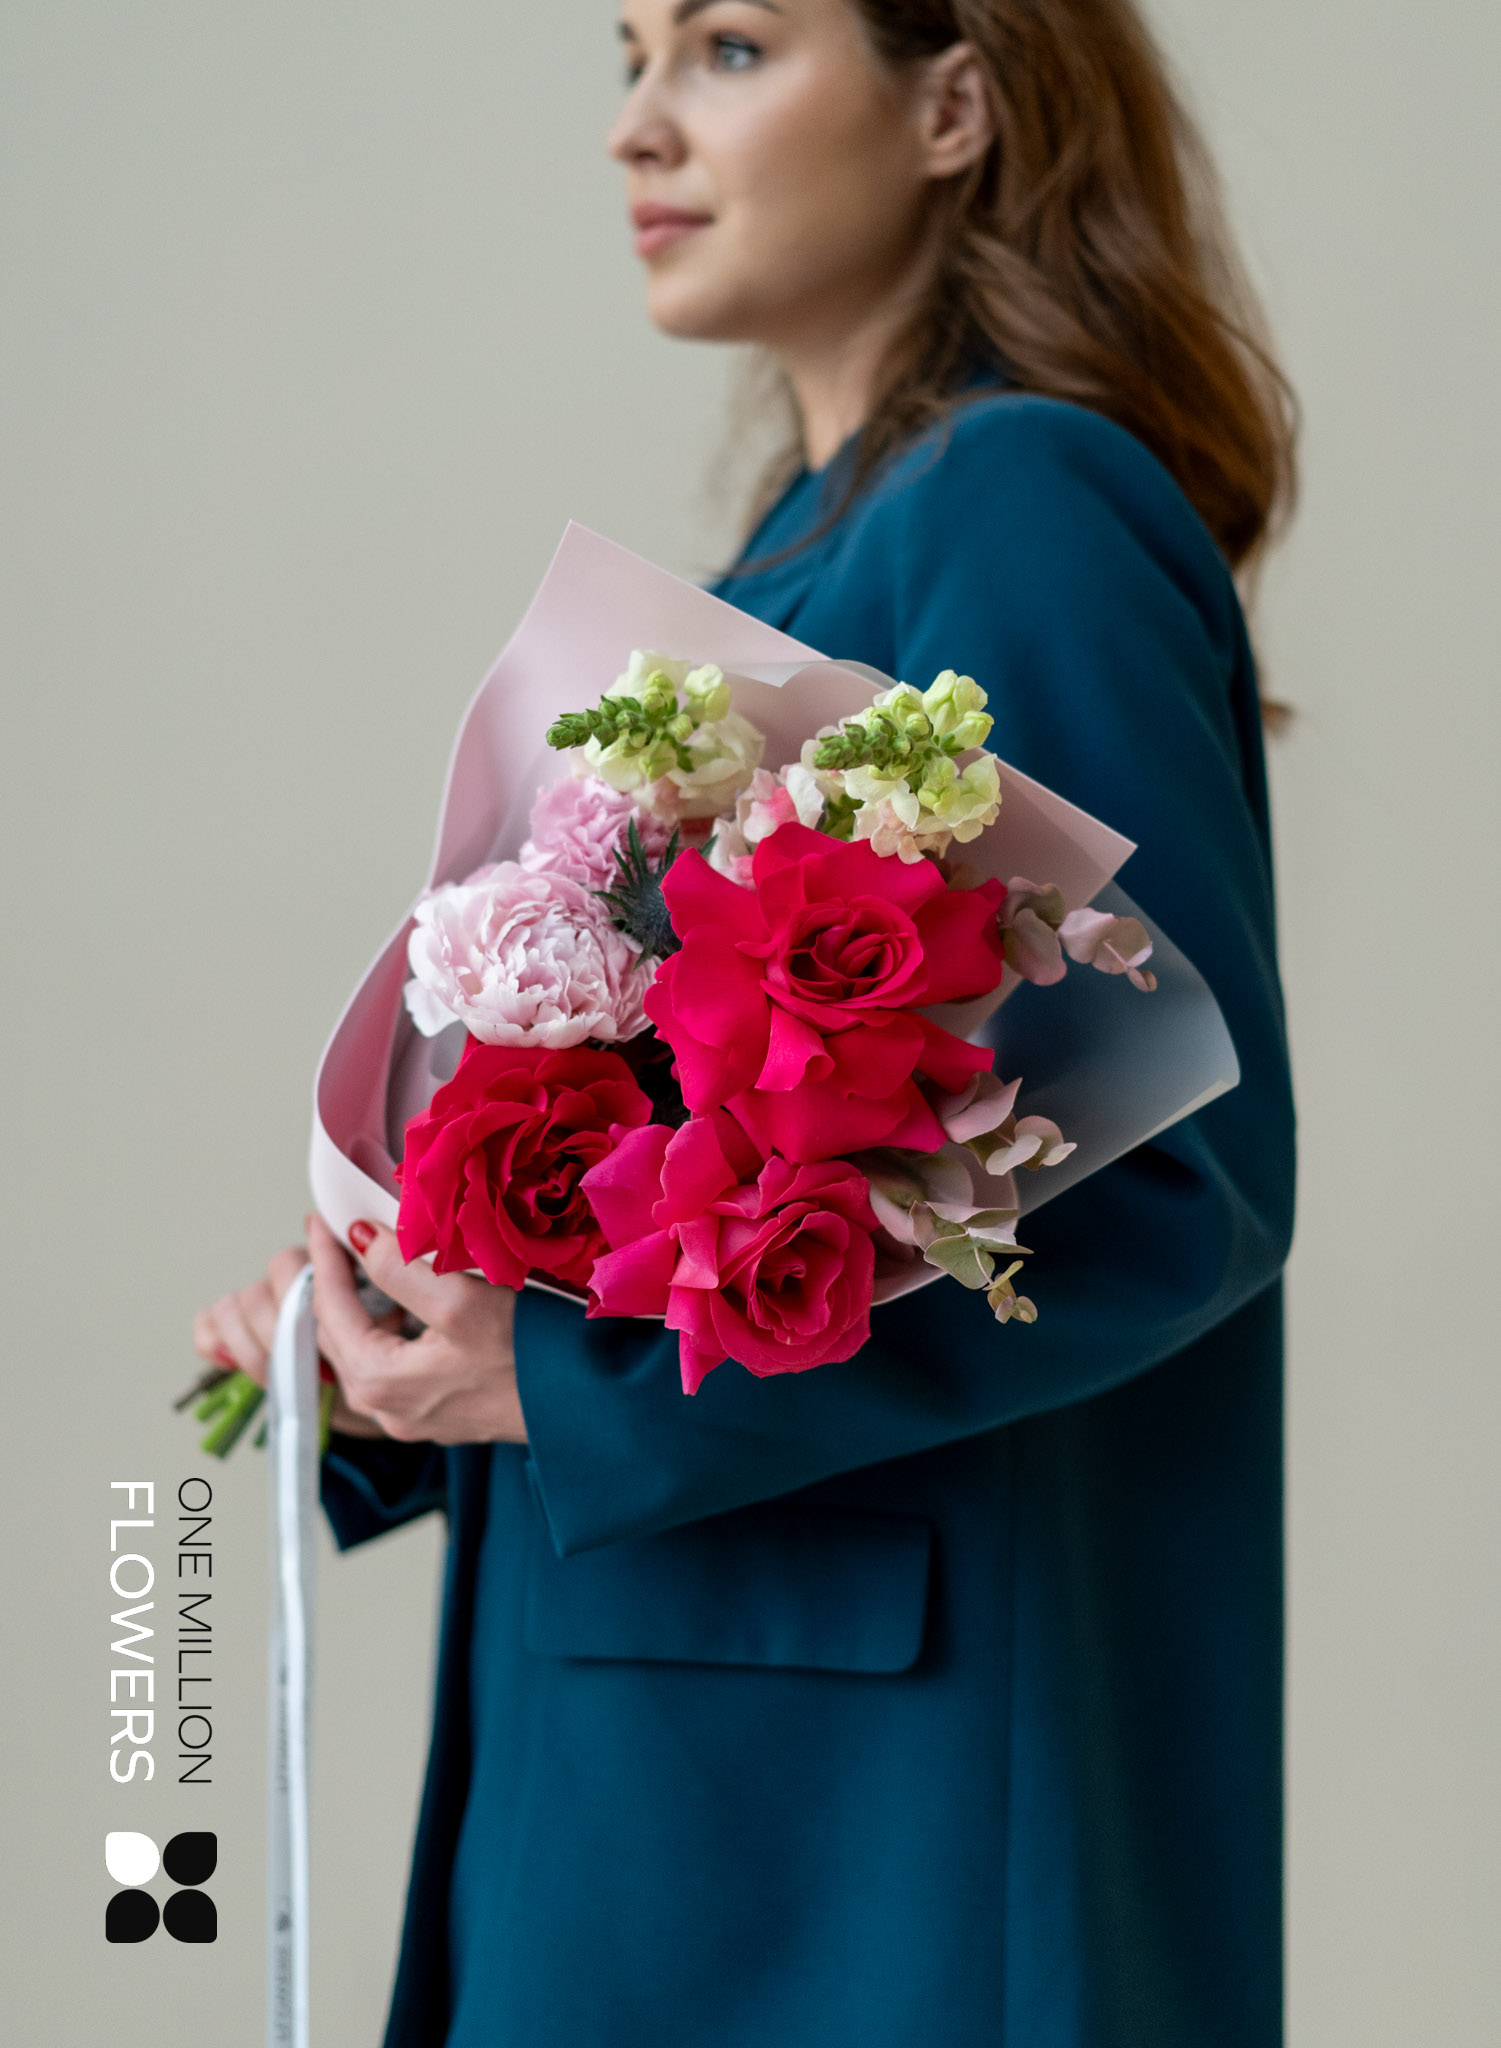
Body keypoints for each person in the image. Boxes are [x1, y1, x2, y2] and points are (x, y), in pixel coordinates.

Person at [194, 2, 1297, 2042]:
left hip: (850, 1819)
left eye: (724, 48)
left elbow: (1181, 1184)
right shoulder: (792, 565)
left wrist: (578, 1384)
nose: (635, 127)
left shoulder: (1022, 503)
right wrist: (404, 1329)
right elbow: (689, 1176)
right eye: (624, 57)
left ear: (954, 101)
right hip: (662, 1736)